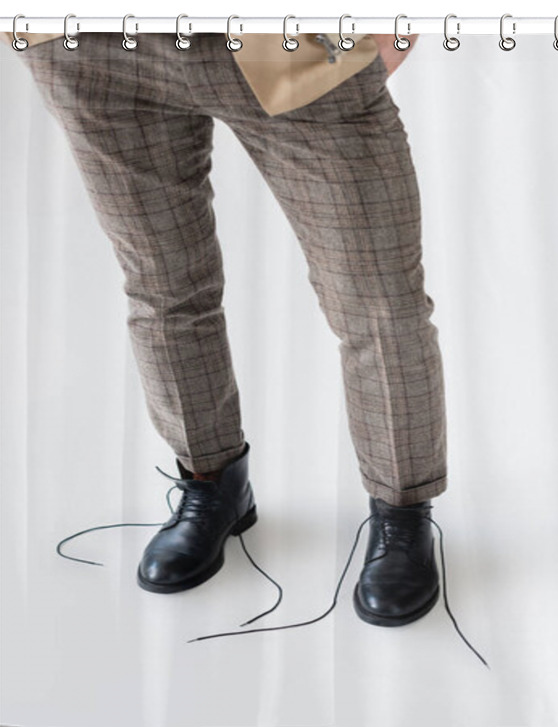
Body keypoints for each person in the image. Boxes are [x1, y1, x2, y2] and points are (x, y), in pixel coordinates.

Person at [6, 29, 448, 627]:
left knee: (378, 303)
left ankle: (401, 511)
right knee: (164, 288)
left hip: (288, 38)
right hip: (92, 43)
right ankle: (211, 482)